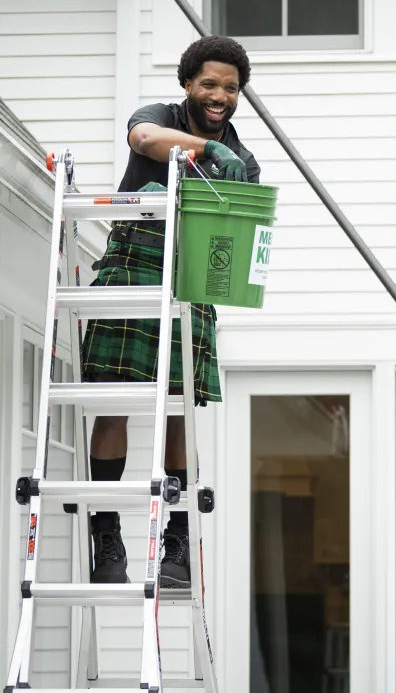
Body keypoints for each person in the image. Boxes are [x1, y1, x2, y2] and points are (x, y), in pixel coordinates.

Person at [81, 35, 261, 587]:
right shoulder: (161, 116)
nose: (220, 96)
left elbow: (239, 234)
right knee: (115, 403)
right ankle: (106, 535)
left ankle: (176, 543)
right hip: (136, 254)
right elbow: (144, 137)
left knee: (180, 408)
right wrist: (206, 151)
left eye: (230, 88)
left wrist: (233, 171)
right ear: (188, 84)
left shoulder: (245, 160)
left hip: (192, 272)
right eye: (209, 84)